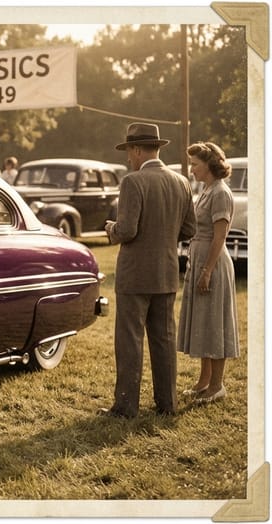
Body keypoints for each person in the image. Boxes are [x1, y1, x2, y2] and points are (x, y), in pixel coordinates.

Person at [101, 122, 196, 418]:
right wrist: (164, 238)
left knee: (130, 341)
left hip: (135, 275)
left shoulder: (133, 182)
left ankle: (126, 406)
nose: (129, 157)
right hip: (166, 272)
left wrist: (111, 229)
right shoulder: (181, 181)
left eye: (130, 150)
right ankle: (167, 404)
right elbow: (190, 228)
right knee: (163, 340)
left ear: (138, 149)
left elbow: (127, 230)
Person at [177, 141, 239, 404]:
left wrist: (207, 270)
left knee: (215, 320)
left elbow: (220, 236)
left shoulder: (220, 193)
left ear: (209, 165)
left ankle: (217, 385)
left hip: (213, 262)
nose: (191, 169)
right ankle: (203, 381)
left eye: (195, 164)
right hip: (199, 257)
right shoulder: (206, 190)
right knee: (203, 319)